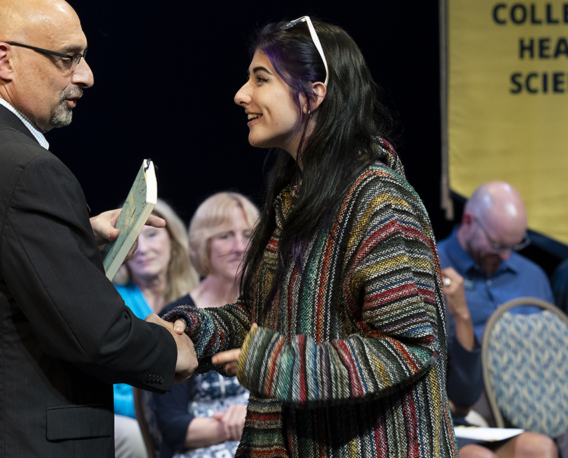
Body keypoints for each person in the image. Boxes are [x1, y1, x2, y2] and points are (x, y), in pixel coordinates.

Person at [0, 1, 197, 456]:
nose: (86, 76)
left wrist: (71, 238)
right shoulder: (29, 170)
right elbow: (97, 336)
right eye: (68, 58)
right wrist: (170, 350)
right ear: (4, 59)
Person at [155, 16, 457, 456]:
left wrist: (270, 360)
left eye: (261, 79)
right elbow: (263, 320)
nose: (242, 95)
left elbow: (407, 348)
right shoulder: (296, 198)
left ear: (314, 95)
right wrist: (190, 329)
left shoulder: (379, 202)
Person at [154, 192, 258, 458]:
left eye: (248, 235)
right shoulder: (180, 317)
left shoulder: (270, 306)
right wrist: (234, 426)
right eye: (225, 236)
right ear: (203, 244)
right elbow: (171, 425)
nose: (239, 246)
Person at [111, 199, 199, 458]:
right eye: (133, 239)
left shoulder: (195, 296)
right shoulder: (111, 298)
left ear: (174, 242)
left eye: (151, 235)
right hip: (133, 417)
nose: (143, 248)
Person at [441, 268, 558, 458]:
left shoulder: (433, 309)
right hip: (398, 427)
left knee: (538, 447)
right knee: (477, 456)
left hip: (448, 423)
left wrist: (461, 313)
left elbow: (465, 398)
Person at [437, 182, 553, 342]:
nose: (506, 256)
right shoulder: (431, 267)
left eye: (514, 246)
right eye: (497, 245)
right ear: (468, 221)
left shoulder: (534, 277)